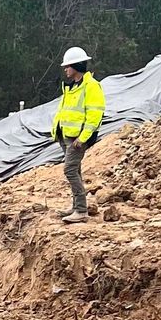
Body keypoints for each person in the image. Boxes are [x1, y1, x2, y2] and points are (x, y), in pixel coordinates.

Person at [51, 45, 106, 221]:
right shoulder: (72, 86)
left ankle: (81, 210)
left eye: (68, 66)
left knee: (70, 170)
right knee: (76, 170)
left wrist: (83, 138)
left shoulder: (91, 86)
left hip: (76, 139)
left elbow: (94, 116)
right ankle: (76, 206)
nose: (65, 69)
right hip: (66, 135)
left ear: (76, 66)